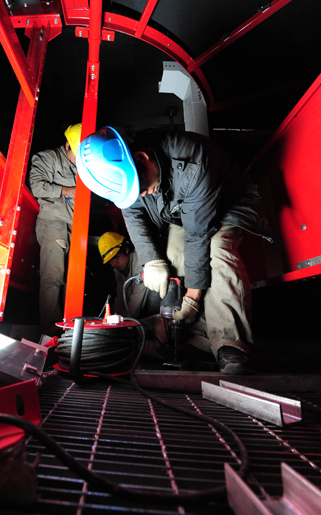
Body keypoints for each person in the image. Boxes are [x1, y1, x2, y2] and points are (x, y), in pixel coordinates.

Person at [76, 126, 272, 374]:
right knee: (172, 258)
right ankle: (197, 341)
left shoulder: (193, 159)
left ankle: (230, 346)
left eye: (142, 186)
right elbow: (134, 215)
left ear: (141, 158)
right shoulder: (130, 173)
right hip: (182, 212)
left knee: (218, 251)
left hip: (226, 204)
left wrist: (192, 297)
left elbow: (198, 236)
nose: (142, 194)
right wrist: (151, 260)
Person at [29, 123, 81, 339]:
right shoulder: (48, 158)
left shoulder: (81, 167)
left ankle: (64, 327)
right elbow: (36, 186)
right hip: (53, 223)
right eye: (77, 154)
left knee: (68, 279)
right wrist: (67, 191)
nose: (80, 160)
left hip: (72, 227)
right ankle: (50, 331)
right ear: (67, 144)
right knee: (52, 277)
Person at [97, 231, 160, 318]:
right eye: (110, 260)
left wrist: (123, 320)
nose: (114, 263)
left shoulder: (141, 262)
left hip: (152, 309)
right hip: (136, 307)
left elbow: (137, 298)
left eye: (117, 256)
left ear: (126, 250)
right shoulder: (119, 270)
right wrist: (116, 317)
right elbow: (120, 295)